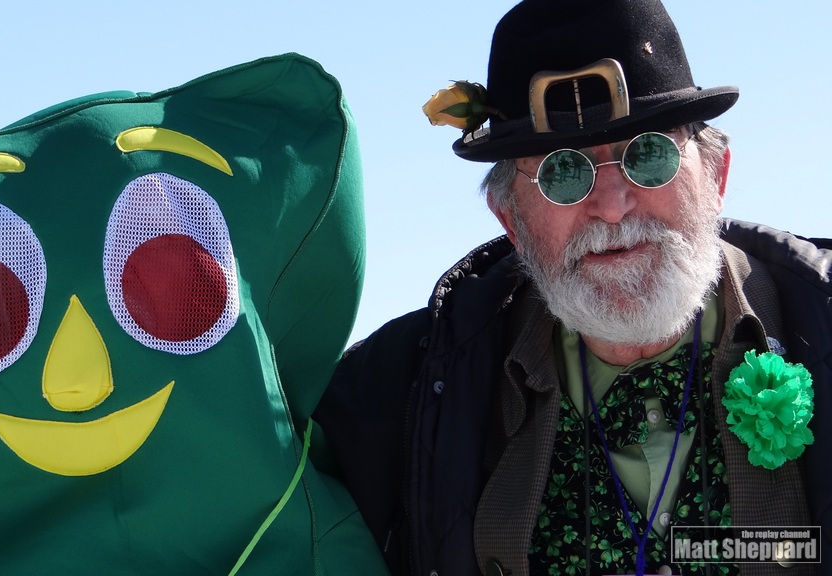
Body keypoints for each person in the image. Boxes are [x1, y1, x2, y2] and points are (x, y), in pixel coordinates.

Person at [312, 1, 830, 575]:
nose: (612, 206)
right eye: (563, 172)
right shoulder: (392, 394)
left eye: (649, 154)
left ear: (716, 177)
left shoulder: (822, 316)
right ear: (511, 220)